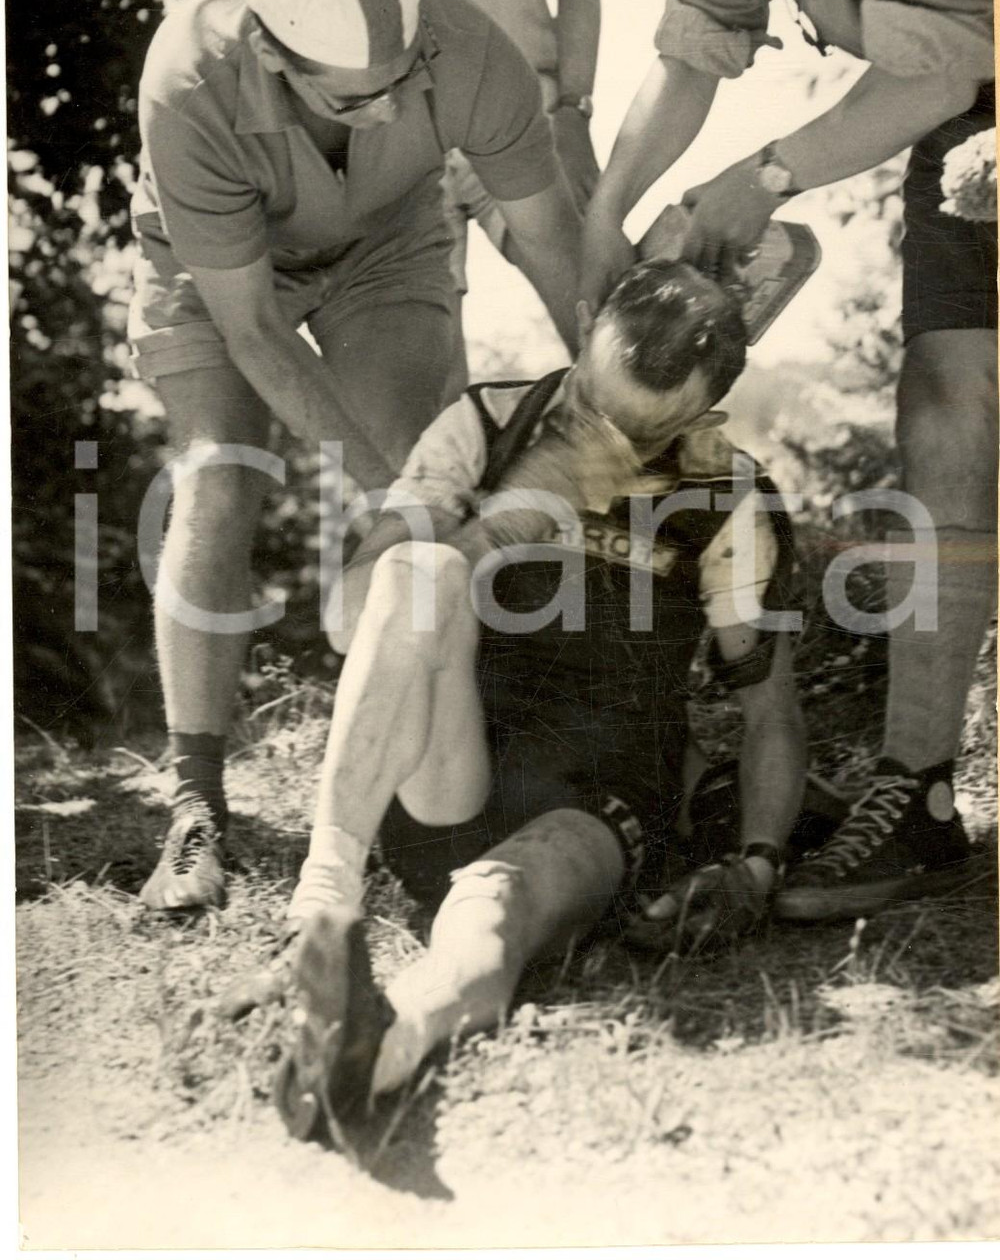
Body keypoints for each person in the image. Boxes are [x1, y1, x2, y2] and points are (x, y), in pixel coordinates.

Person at [219, 258, 807, 1152]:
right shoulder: (493, 421)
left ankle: (384, 1043)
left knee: (494, 911)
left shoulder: (731, 494)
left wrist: (757, 865)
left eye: (646, 432)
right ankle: (323, 905)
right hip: (447, 766)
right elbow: (350, 618)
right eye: (597, 403)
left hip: (596, 802)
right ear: (582, 328)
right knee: (421, 568)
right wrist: (499, 524)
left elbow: (769, 705)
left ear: (701, 412)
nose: (611, 440)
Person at [130, 0, 582, 911]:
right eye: (358, 98)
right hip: (221, 277)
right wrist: (402, 490)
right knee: (218, 477)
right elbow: (251, 331)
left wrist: (615, 400)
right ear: (274, 56)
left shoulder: (465, 49)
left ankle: (422, 781)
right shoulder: (189, 80)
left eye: (406, 77)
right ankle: (195, 804)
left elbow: (554, 237)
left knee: (423, 475)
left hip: (387, 245)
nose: (393, 102)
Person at [580, 0, 996, 922]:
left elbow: (939, 66)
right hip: (966, 114)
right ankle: (919, 793)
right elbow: (692, 49)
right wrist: (607, 214)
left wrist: (762, 178)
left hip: (959, 77)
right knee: (945, 405)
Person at [255, 0, 601, 304]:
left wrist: (574, 110)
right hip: (378, 125)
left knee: (597, 314)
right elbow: (278, 1)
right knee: (424, 359)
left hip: (518, 110)